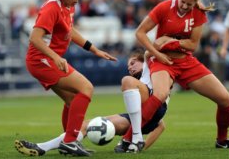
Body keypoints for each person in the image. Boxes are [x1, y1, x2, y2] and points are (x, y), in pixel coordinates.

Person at [119, 0, 229, 151]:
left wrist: (169, 41)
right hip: (163, 61)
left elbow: (192, 45)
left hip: (186, 62)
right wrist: (157, 52)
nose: (184, 6)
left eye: (189, 4)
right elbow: (140, 32)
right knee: (159, 94)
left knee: (226, 101)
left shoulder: (197, 11)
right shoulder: (164, 7)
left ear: (195, 2)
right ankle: (128, 139)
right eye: (183, 1)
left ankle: (222, 139)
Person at [24, 0, 117, 157]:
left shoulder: (69, 6)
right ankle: (70, 141)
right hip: (41, 60)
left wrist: (94, 49)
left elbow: (69, 31)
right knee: (87, 88)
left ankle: (69, 142)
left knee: (73, 100)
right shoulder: (52, 7)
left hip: (48, 60)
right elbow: (34, 38)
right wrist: (56, 57)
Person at [15, 50, 169, 156]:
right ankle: (43, 147)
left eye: (133, 62)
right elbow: (161, 126)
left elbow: (149, 52)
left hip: (152, 107)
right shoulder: (139, 86)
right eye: (128, 64)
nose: (129, 66)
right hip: (137, 119)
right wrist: (142, 147)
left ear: (144, 62)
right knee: (84, 125)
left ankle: (135, 138)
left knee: (127, 81)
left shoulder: (152, 68)